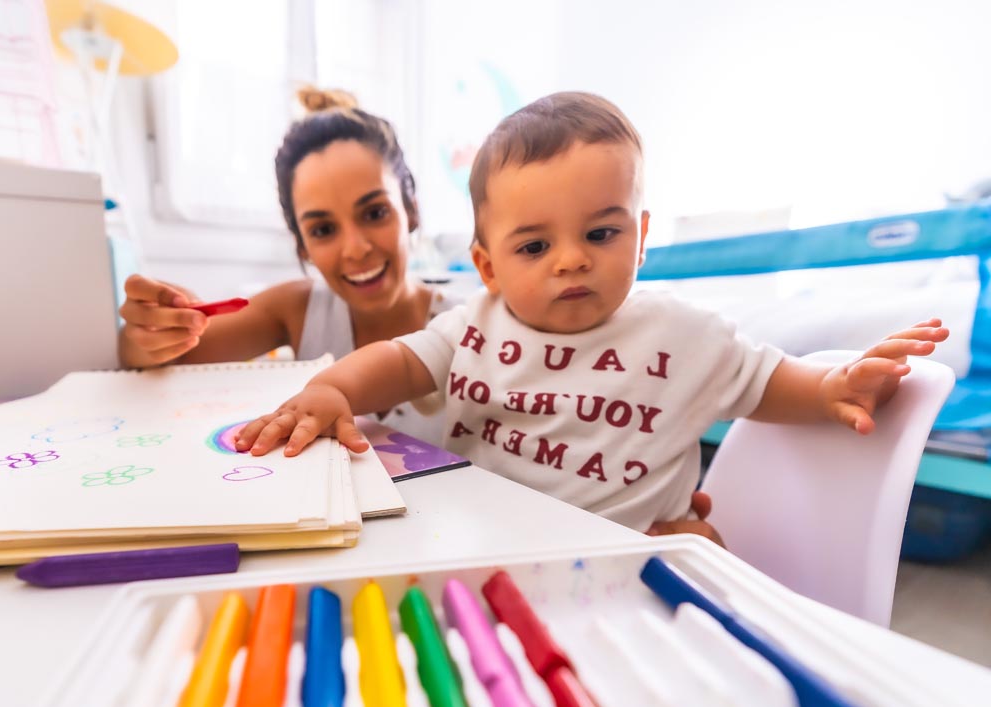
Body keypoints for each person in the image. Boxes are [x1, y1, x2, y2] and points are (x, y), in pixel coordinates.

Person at [235, 91, 949, 540]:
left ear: (640, 239)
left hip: (630, 554)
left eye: (601, 234)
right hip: (493, 544)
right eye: (536, 245)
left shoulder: (685, 334)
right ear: (488, 266)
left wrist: (836, 389)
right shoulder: (475, 323)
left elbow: (769, 384)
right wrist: (336, 390)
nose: (571, 260)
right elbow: (397, 362)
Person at [116, 87, 459, 443]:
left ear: (411, 210)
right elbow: (160, 355)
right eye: (323, 229)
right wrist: (148, 334)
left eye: (375, 213)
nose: (356, 250)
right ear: (302, 245)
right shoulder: (296, 309)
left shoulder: (472, 327)